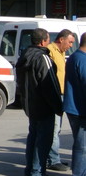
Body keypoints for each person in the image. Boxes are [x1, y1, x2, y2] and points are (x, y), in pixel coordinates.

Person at [16, 28, 63, 176]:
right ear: (43, 41)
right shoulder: (42, 58)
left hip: (31, 105)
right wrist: (58, 106)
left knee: (33, 138)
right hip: (43, 107)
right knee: (42, 142)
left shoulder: (24, 56)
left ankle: (31, 169)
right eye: (48, 39)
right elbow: (50, 84)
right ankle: (36, 171)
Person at [46, 29, 75, 171]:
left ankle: (53, 156)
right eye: (69, 42)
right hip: (55, 94)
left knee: (56, 129)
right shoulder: (50, 51)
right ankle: (53, 160)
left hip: (62, 94)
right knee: (54, 128)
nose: (70, 45)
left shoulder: (61, 52)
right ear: (61, 39)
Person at [63, 32, 86, 176]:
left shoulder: (74, 56)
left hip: (74, 107)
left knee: (80, 144)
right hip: (80, 109)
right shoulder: (82, 59)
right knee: (82, 146)